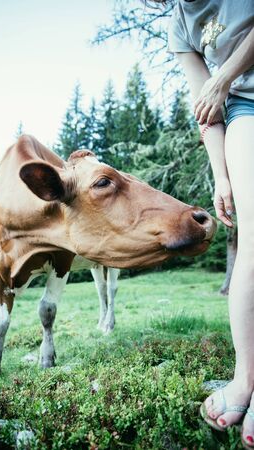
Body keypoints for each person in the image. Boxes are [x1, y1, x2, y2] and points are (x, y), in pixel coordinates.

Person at [147, 0, 254, 447]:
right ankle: (246, 376)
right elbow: (207, 105)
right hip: (246, 109)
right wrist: (222, 175)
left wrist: (224, 75)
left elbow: (216, 85)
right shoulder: (179, 25)